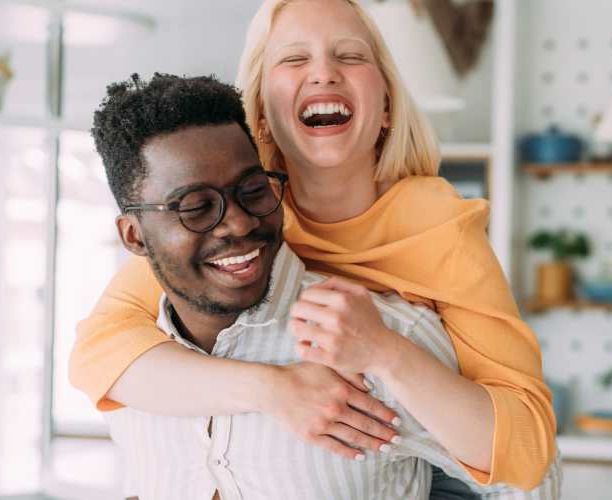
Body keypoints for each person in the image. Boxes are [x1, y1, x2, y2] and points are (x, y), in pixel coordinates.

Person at [72, 0, 557, 491]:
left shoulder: (439, 229)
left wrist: (384, 351)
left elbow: (529, 452)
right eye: (294, 58)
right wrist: (276, 390)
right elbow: (99, 353)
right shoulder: (235, 222)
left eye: (349, 56)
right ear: (259, 112)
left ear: (387, 106)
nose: (324, 73)